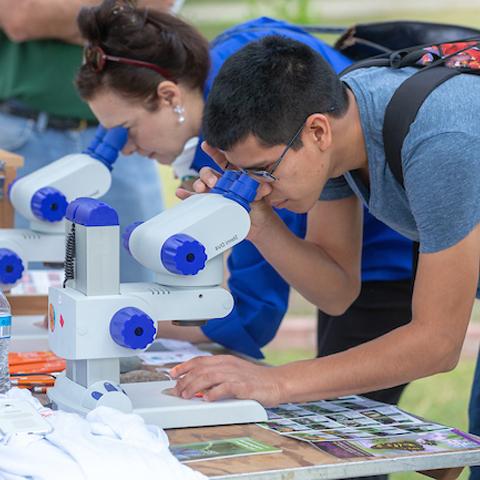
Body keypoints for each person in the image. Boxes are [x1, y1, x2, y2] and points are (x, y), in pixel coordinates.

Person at [74, 1, 413, 391]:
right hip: (352, 252)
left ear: (169, 96)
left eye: (126, 130)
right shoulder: (229, 65)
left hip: (388, 251)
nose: (127, 149)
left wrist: (119, 316)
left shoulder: (254, 126)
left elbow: (254, 311)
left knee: (342, 409)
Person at [167, 34, 479, 410]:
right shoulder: (335, 127)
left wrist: (276, 381)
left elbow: (438, 344)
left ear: (318, 131)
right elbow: (336, 291)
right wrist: (260, 225)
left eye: (263, 171)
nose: (257, 188)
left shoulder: (440, 145)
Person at [0, 0, 176, 282]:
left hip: (126, 137)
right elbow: (21, 17)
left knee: (141, 288)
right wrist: (116, 22)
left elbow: (158, 6)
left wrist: (62, 19)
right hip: (27, 135)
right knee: (23, 297)